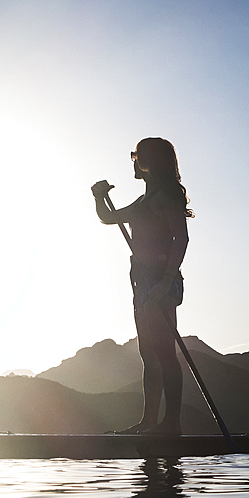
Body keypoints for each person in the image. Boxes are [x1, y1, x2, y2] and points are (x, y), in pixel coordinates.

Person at [92, 137, 193, 435]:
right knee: (149, 354)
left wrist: (164, 282)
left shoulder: (165, 197)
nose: (133, 161)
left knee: (163, 353)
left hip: (160, 283)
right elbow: (109, 218)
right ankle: (149, 422)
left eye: (136, 155)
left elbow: (182, 239)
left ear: (149, 161)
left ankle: (171, 423)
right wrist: (98, 197)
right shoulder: (143, 201)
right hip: (142, 285)